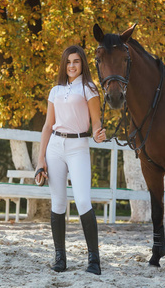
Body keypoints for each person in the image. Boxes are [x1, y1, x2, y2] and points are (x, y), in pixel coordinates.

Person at [35, 45, 106, 275]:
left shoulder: (89, 88)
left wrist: (98, 132)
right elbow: (47, 126)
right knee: (57, 204)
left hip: (78, 146)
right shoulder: (55, 90)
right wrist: (40, 161)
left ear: (82, 63)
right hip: (55, 146)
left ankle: (94, 260)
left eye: (76, 61)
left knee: (83, 201)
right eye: (68, 62)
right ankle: (60, 258)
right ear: (63, 65)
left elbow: (96, 122)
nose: (72, 65)